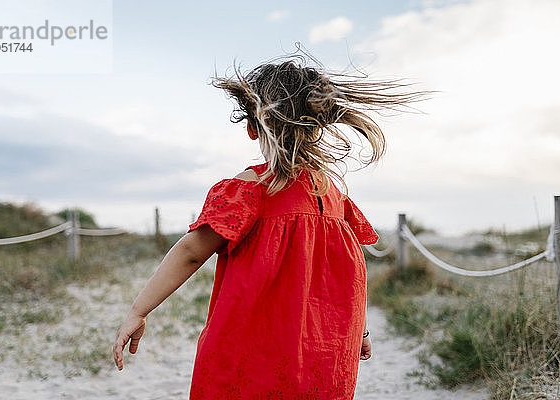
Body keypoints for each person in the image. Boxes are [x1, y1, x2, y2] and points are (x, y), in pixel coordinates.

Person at [113, 54, 422, 399]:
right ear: (318, 128)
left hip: (252, 353)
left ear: (251, 127)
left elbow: (189, 253)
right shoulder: (335, 196)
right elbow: (349, 276)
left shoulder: (250, 189)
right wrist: (361, 330)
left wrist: (138, 311)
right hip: (325, 352)